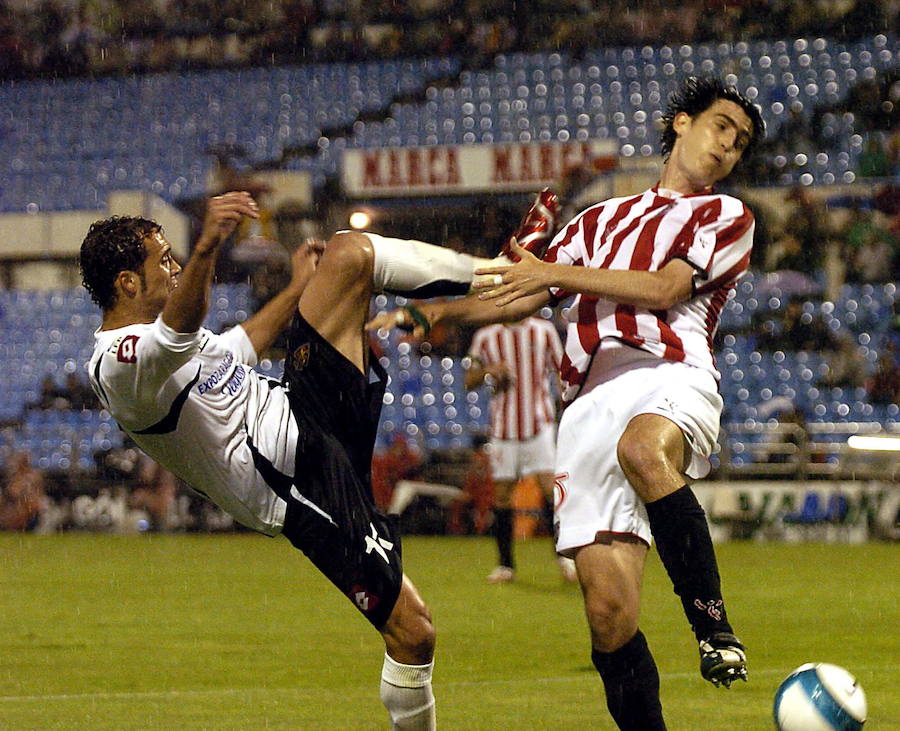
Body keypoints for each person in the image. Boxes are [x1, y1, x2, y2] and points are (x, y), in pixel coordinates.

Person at [370, 77, 765, 730]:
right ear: (682, 124)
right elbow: (520, 291)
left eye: (741, 141)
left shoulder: (726, 217)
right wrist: (434, 313)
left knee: (643, 448)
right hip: (583, 404)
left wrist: (553, 272)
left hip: (669, 372)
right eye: (722, 125)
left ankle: (713, 625)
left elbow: (664, 288)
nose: (729, 144)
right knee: (608, 617)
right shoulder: (599, 219)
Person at [80, 191, 511, 729]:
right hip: (291, 477)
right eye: (164, 260)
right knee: (414, 630)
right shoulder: (117, 364)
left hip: (302, 413)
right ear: (127, 283)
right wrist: (208, 245)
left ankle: (502, 272)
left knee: (348, 254)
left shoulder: (180, 345)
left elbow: (245, 344)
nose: (174, 268)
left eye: (176, 257)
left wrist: (297, 289)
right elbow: (178, 329)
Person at [464, 316, 576, 583]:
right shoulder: (486, 335)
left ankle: (565, 558)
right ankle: (506, 565)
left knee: (551, 489)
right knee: (502, 495)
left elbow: (563, 371)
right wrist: (489, 371)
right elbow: (469, 379)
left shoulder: (544, 331)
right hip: (504, 427)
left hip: (539, 423)